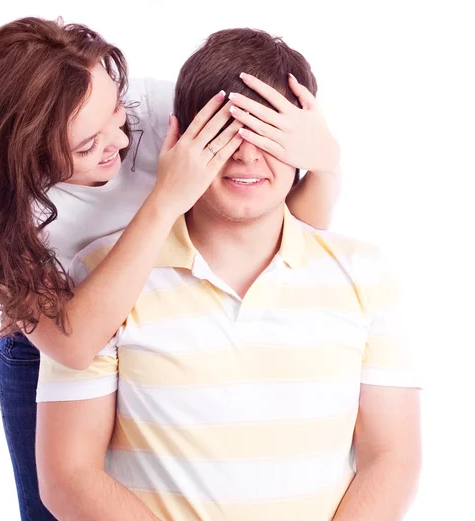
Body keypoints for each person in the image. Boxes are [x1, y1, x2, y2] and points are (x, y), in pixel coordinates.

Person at [0, 17, 342, 521]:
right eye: (87, 146)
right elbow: (74, 345)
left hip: (172, 319)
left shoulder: (156, 113)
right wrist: (166, 199)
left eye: (116, 113)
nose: (119, 143)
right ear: (23, 150)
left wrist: (325, 161)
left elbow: (290, 225)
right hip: (59, 343)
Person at [36, 28, 422, 521]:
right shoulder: (92, 278)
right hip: (57, 326)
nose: (245, 153)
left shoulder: (365, 274)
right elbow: (69, 475)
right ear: (182, 137)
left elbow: (392, 458)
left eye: (266, 134)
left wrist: (325, 160)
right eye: (225, 135)